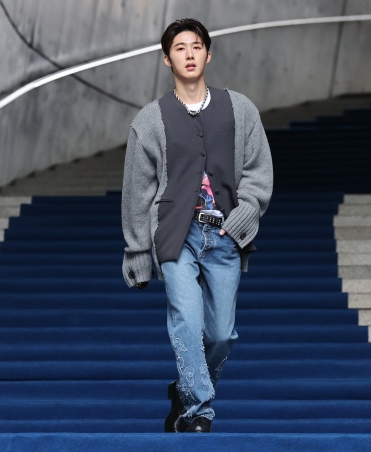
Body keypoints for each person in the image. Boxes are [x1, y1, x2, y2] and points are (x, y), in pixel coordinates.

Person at [121, 18, 273, 433]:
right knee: (186, 321)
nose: (189, 54)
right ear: (166, 58)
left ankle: (185, 388)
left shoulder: (240, 109)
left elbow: (258, 171)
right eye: (180, 48)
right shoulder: (150, 120)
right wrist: (137, 250)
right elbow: (137, 189)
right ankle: (197, 413)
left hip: (225, 234)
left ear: (209, 53)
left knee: (222, 335)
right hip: (175, 234)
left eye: (196, 46)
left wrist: (245, 214)